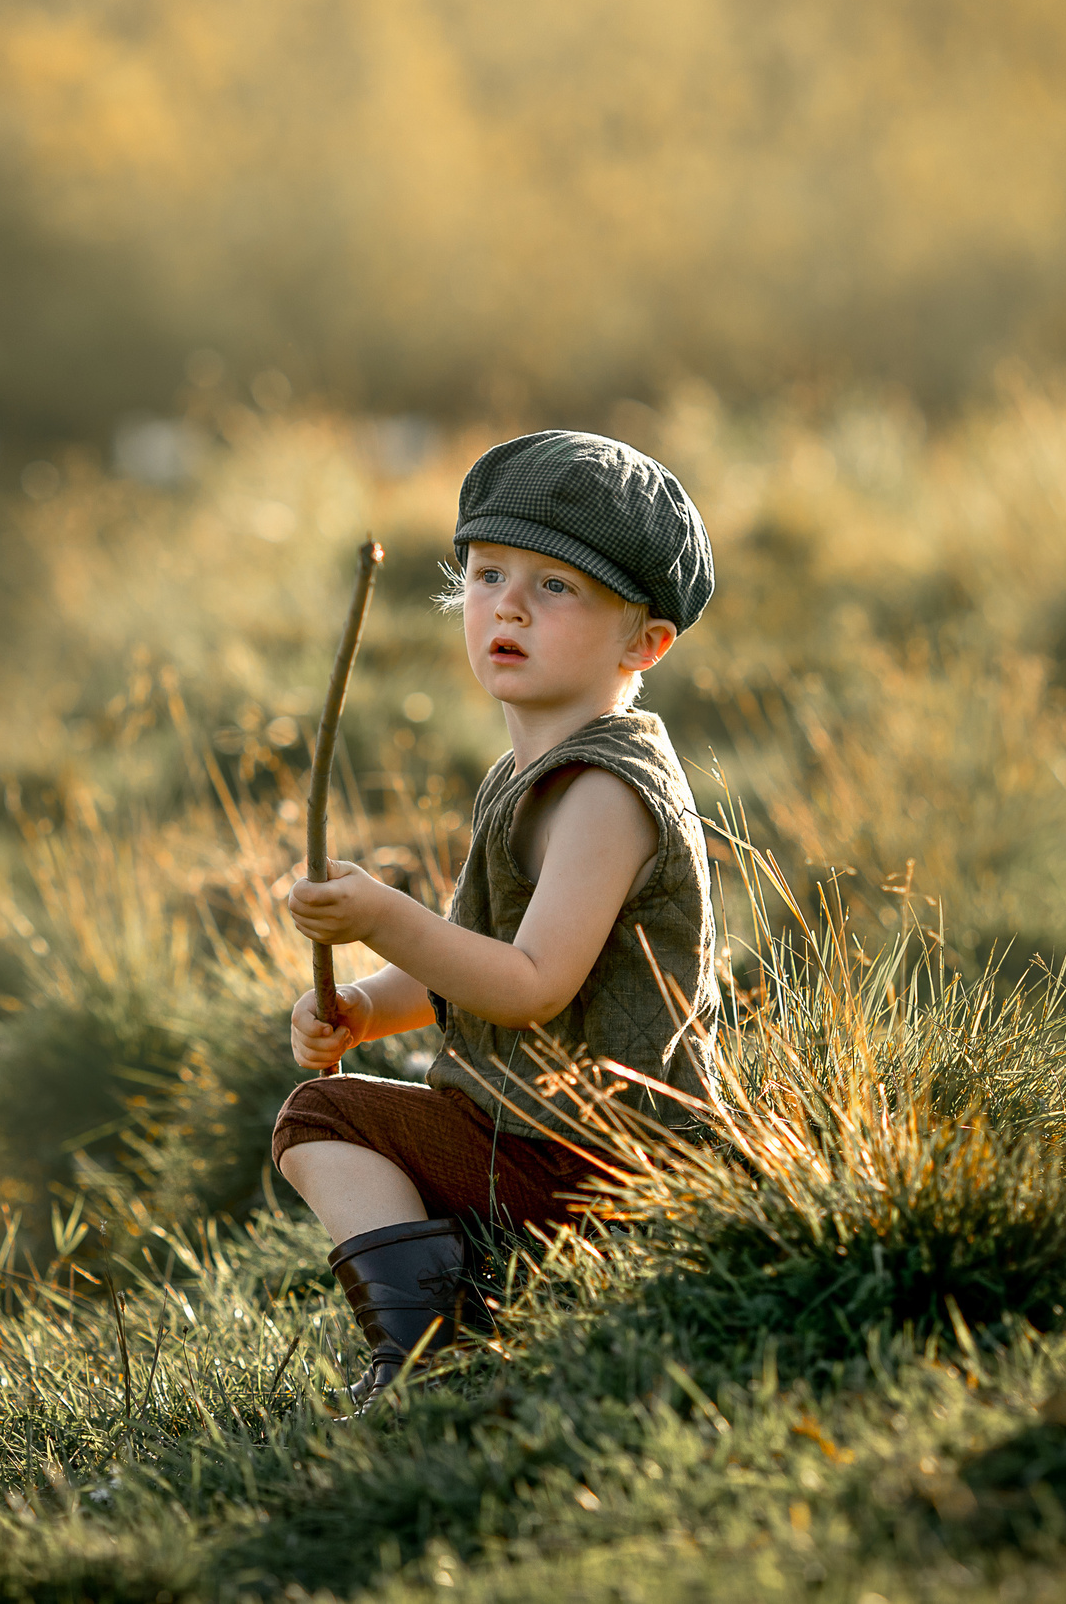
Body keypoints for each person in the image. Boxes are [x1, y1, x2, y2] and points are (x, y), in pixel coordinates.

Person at [274, 429, 722, 1407]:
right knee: (328, 1108)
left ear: (643, 641)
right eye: (486, 574)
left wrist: (382, 915)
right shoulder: (521, 780)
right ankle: (469, 1302)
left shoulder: (605, 793)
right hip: (540, 1132)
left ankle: (428, 1350)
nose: (508, 605)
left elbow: (528, 986)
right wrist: (360, 1006)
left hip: (613, 1161)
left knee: (324, 1118)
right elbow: (466, 961)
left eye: (556, 586)